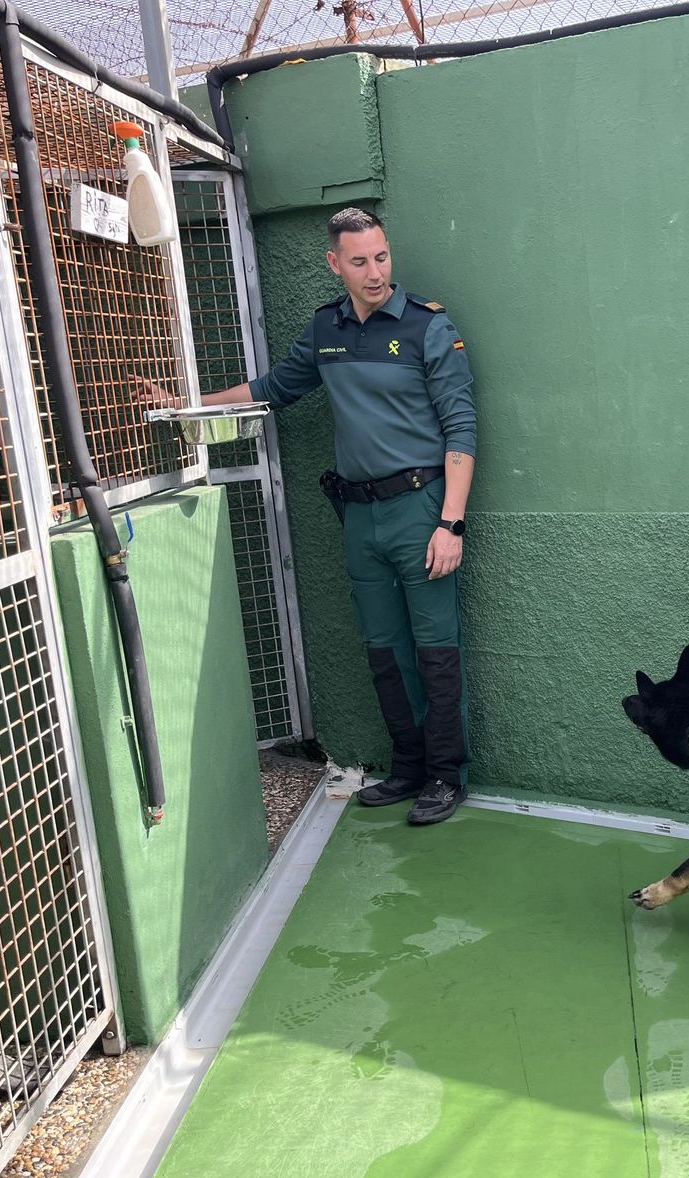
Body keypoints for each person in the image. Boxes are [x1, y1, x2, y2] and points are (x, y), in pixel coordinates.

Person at [133, 207, 475, 825]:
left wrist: (450, 523)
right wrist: (185, 402)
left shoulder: (428, 327)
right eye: (360, 261)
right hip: (360, 515)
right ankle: (408, 767)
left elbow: (461, 427)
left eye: (382, 257)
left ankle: (446, 776)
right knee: (383, 647)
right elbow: (270, 389)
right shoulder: (328, 329)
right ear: (335, 263)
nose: (375, 272)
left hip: (423, 509)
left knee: (435, 647)